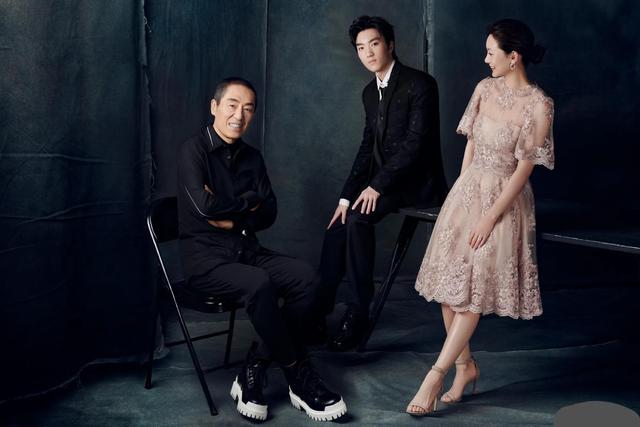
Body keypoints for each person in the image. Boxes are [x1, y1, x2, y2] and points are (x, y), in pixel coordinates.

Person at [406, 19, 555, 416]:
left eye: (491, 52)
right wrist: (462, 194)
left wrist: (489, 216)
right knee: (448, 287)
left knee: (472, 292)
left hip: (505, 201)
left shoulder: (539, 105)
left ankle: (434, 375)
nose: (485, 59)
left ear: (513, 56)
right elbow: (471, 146)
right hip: (469, 190)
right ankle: (464, 366)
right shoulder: (484, 89)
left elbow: (523, 171)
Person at [177, 77, 346, 422]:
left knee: (309, 280)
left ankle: (255, 364)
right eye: (232, 105)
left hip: (246, 249)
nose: (239, 115)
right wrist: (248, 202)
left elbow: (269, 211)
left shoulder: (252, 157)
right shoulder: (192, 151)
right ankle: (298, 375)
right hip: (207, 260)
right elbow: (205, 208)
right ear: (214, 107)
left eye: (248, 108)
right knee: (259, 284)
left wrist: (236, 214)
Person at [318, 16, 447, 351]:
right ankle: (319, 309)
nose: (368, 53)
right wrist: (345, 197)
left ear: (390, 44)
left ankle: (358, 311)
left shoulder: (420, 84)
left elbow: (416, 144)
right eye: (361, 48)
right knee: (339, 222)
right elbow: (367, 147)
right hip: (384, 182)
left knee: (358, 220)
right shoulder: (368, 93)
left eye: (374, 44)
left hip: (417, 185)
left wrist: (377, 185)